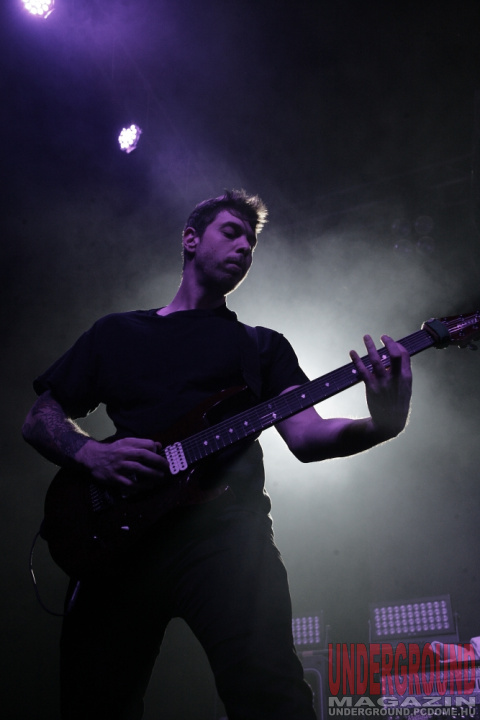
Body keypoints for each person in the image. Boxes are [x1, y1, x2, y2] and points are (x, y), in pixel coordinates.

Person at [22, 189, 412, 720]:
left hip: (226, 535)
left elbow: (307, 437)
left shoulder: (262, 346)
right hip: (117, 542)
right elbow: (40, 418)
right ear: (190, 239)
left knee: (272, 698)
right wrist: (91, 454)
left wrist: (382, 424)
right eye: (232, 233)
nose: (244, 248)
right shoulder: (117, 332)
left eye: (252, 243)